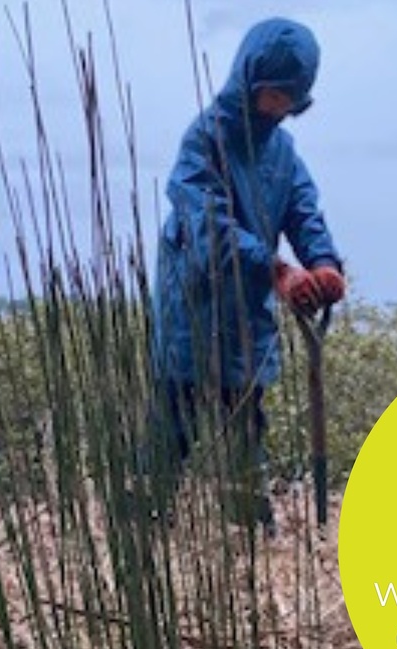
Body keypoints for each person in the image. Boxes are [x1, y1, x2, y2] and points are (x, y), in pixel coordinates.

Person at [149, 17, 346, 533]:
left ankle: (251, 525)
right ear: (249, 81)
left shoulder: (283, 152)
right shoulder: (204, 139)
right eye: (271, 97)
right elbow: (209, 225)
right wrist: (278, 270)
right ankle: (148, 517)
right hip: (193, 306)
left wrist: (323, 264)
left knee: (246, 419)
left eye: (288, 101)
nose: (278, 109)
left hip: (248, 313)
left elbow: (304, 211)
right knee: (176, 419)